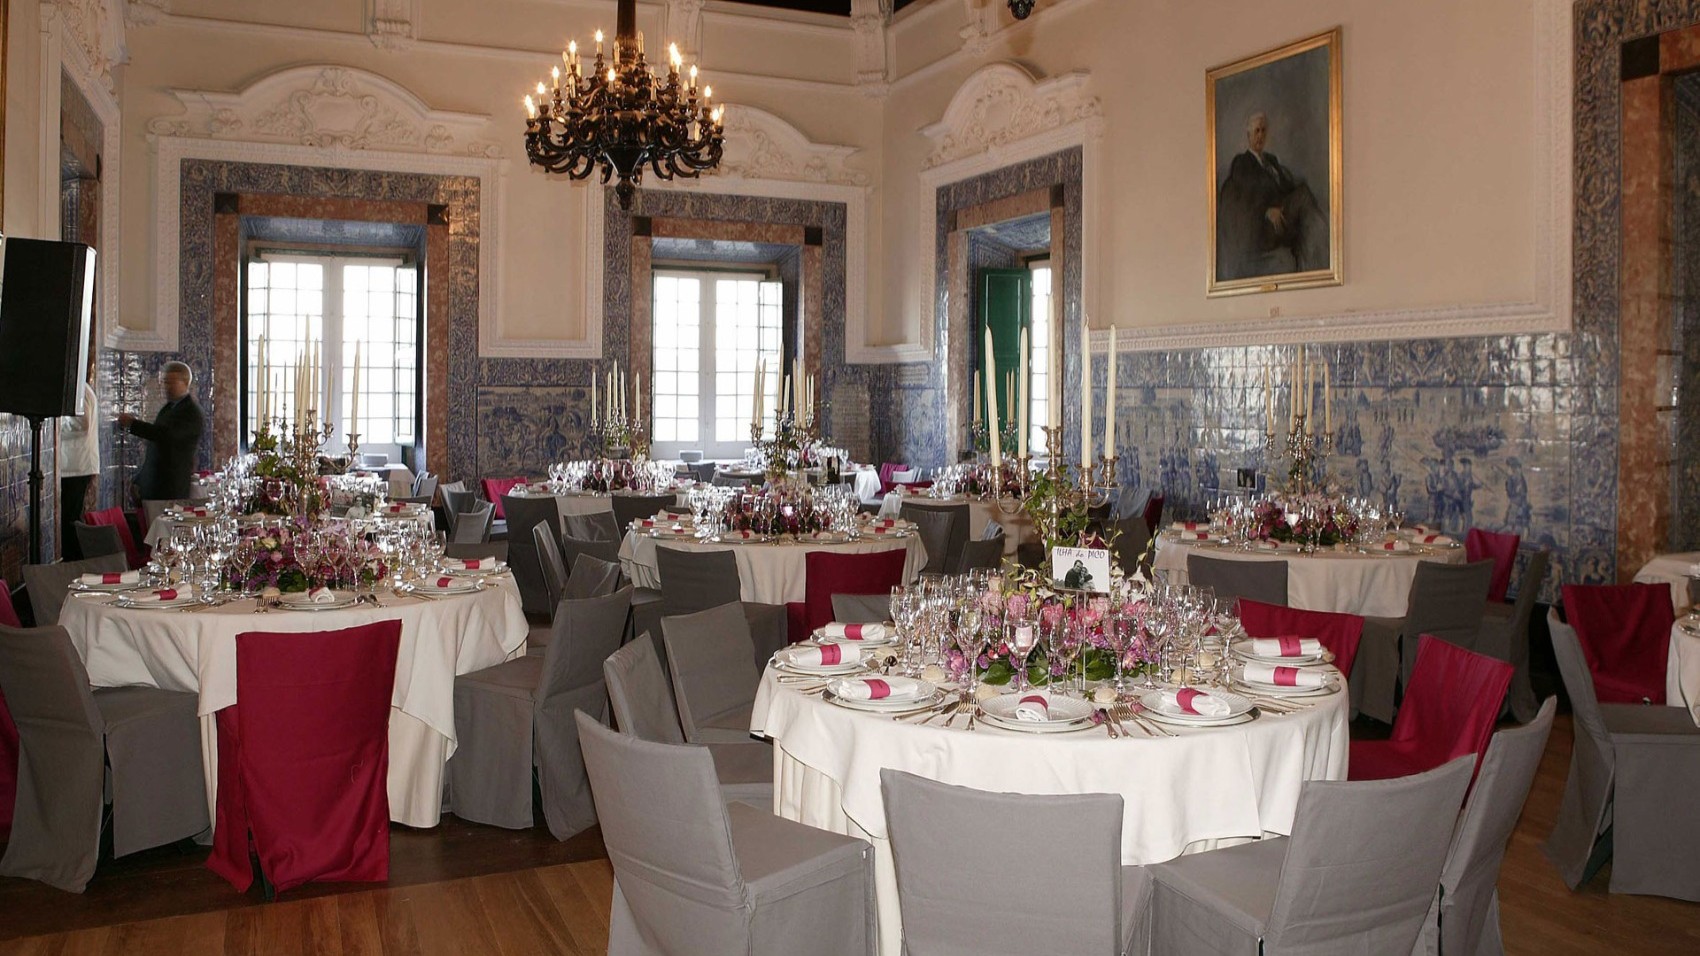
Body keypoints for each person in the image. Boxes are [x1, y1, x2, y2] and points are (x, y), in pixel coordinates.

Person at [1215, 112, 1330, 281]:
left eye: (1263, 131)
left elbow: (1287, 187)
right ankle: (1325, 252)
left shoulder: (1271, 160)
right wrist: (1265, 210)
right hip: (1264, 226)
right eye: (1256, 131)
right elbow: (1245, 196)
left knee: (1303, 198)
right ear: (1249, 136)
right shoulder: (1243, 163)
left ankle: (1317, 261)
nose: (1260, 135)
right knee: (1304, 198)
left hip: (1282, 214)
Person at [118, 361, 205, 502]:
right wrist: (140, 479)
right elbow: (155, 447)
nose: (167, 387)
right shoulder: (169, 408)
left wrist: (133, 424)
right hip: (155, 484)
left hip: (171, 487)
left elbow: (165, 436)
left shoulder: (191, 412)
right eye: (165, 382)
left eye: (172, 382)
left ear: (185, 382)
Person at [58, 365, 100, 559]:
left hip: (77, 467)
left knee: (70, 519)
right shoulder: (75, 388)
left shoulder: (79, 390)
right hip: (73, 467)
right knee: (69, 518)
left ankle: (74, 561)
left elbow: (82, 424)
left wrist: (55, 424)